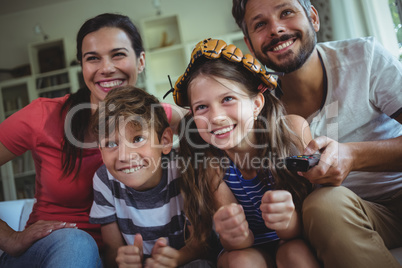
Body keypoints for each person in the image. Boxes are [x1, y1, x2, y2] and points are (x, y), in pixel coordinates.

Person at [0, 13, 180, 267]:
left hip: (121, 256)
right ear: (82, 67)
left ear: (140, 61)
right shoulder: (42, 115)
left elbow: (211, 122)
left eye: (118, 54)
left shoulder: (154, 116)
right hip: (55, 250)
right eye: (93, 58)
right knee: (78, 244)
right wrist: (9, 238)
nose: (106, 68)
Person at [231, 0, 402, 267]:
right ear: (250, 44)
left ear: (313, 17)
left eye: (286, 12)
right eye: (260, 24)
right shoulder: (256, 108)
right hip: (352, 216)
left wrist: (353, 156)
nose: (275, 29)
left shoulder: (364, 57)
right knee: (322, 204)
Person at [169, 38, 320, 267]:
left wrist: (288, 222)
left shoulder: (293, 132)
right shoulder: (211, 161)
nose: (216, 117)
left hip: (295, 237)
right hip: (246, 249)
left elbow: (312, 219)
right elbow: (238, 245)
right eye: (202, 107)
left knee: (296, 252)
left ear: (257, 103)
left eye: (228, 99)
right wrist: (233, 234)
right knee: (242, 260)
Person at [89, 85, 212, 268]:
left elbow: (202, 243)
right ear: (100, 150)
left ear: (165, 142)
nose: (124, 155)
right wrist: (123, 260)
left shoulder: (182, 169)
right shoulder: (104, 180)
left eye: (137, 139)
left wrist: (176, 259)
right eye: (111, 144)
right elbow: (112, 250)